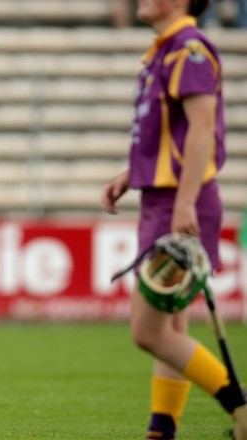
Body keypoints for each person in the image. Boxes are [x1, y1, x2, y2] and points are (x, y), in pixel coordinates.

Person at [101, 0, 247, 439]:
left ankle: (240, 408)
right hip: (161, 197)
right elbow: (172, 132)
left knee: (147, 329)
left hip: (181, 201)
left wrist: (185, 203)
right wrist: (133, 173)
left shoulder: (190, 50)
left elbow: (203, 130)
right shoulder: (163, 52)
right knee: (171, 326)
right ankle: (161, 430)